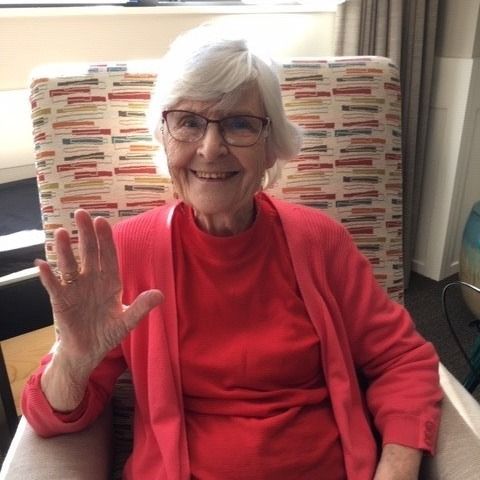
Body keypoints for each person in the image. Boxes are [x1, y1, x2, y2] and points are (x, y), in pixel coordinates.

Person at [22, 25, 442, 480]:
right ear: (165, 137)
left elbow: (401, 360)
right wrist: (74, 360)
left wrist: (395, 471)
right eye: (188, 122)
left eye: (240, 124)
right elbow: (49, 417)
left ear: (270, 147)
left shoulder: (321, 241)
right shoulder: (127, 253)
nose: (210, 148)